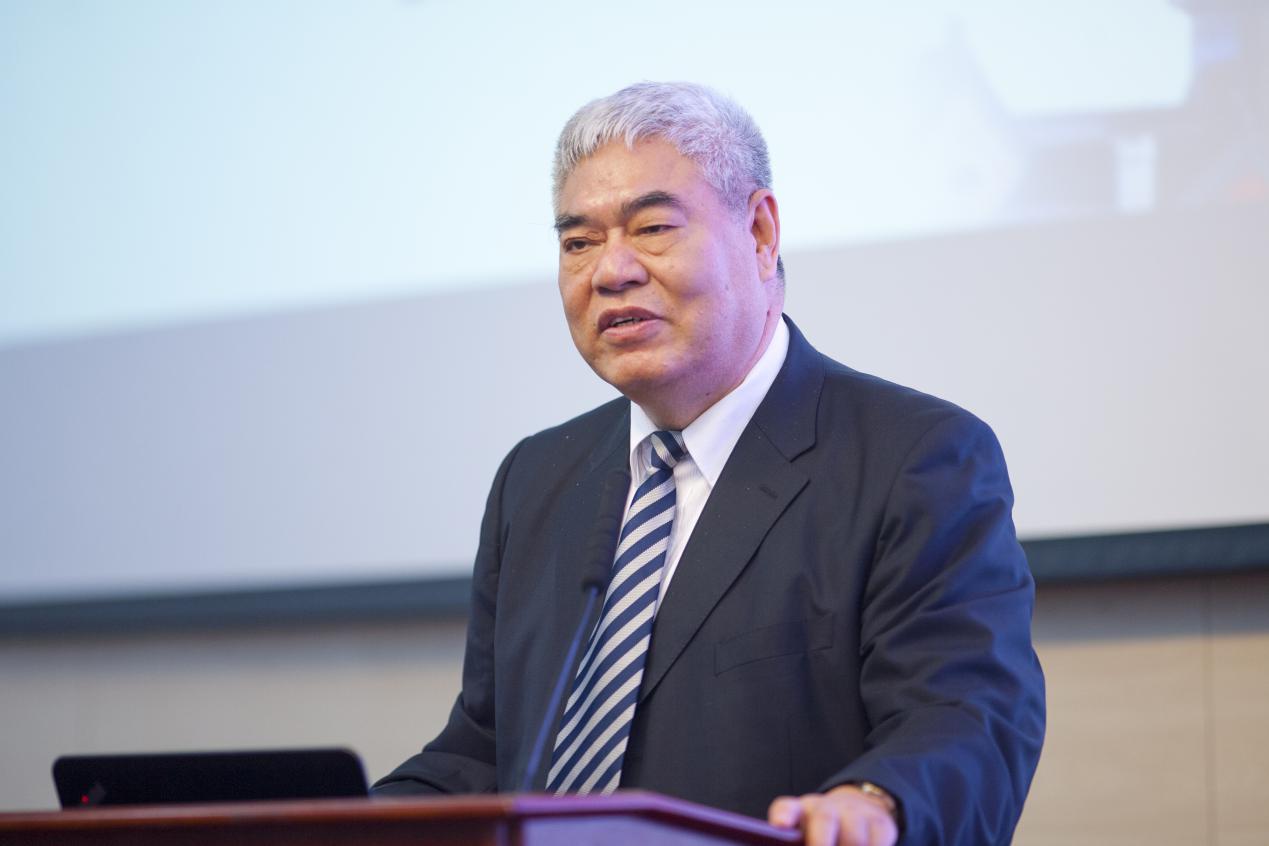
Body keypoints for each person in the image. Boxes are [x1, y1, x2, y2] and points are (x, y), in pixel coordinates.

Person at [374, 81, 1046, 846]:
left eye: (652, 227)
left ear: (759, 232)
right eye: (578, 243)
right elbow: (486, 753)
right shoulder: (535, 479)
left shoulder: (912, 456)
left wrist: (874, 803)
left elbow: (966, 715)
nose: (610, 271)